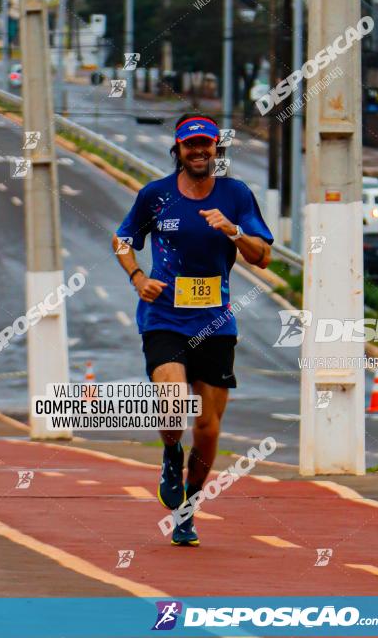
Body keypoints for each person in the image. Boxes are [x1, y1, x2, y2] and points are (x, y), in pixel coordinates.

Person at [112, 113, 273, 546]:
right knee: (172, 401)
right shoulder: (156, 196)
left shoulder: (236, 194)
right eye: (190, 145)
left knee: (207, 426)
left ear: (216, 148)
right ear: (178, 150)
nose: (199, 152)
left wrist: (233, 229)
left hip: (216, 323)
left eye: (206, 144)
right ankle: (169, 453)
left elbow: (262, 257)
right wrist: (137, 278)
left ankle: (188, 508)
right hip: (164, 316)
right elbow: (123, 240)